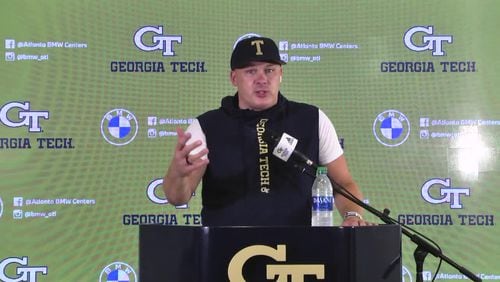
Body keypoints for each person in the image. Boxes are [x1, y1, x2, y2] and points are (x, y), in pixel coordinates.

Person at [163, 36, 369, 227]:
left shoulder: (312, 119)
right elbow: (177, 197)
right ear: (234, 78)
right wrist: (179, 174)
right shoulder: (206, 126)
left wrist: (352, 215)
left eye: (270, 70)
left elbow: (344, 183)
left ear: (281, 74)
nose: (262, 79)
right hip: (226, 253)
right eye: (251, 71)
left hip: (303, 252)